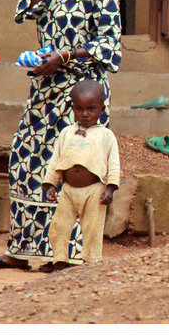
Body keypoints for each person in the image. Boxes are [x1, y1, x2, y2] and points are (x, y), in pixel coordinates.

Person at [0, 0, 122, 271]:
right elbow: (22, 9)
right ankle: (21, 249)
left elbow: (109, 45)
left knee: (75, 170)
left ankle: (70, 256)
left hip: (81, 96)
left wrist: (66, 56)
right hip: (43, 91)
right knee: (26, 165)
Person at [39, 80, 120, 272]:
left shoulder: (106, 135)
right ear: (73, 108)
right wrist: (51, 184)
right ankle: (59, 260)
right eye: (79, 108)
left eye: (91, 109)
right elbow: (56, 160)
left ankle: (91, 264)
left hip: (94, 192)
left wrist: (110, 188)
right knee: (59, 227)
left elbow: (113, 164)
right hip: (67, 190)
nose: (84, 114)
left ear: (101, 109)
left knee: (92, 229)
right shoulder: (67, 132)